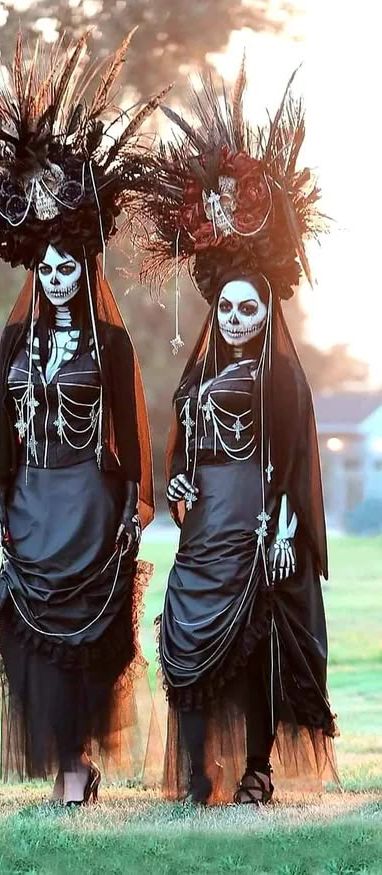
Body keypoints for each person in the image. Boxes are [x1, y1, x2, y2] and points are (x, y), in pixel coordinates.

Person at [0, 32, 164, 804]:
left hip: (90, 502)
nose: (60, 277)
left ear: (86, 265)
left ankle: (77, 765)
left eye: (71, 266)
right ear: (38, 267)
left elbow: (132, 432)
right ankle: (62, 758)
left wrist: (135, 499)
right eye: (50, 267)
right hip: (32, 500)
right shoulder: (15, 338)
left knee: (91, 635)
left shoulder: (112, 340)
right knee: (29, 635)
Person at [132, 66, 338, 804]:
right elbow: (184, 443)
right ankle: (199, 770)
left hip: (256, 520)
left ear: (266, 310)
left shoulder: (281, 378)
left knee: (256, 650)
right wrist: (181, 479)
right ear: (217, 312)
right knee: (189, 638)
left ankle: (257, 769)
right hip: (206, 525)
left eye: (251, 309)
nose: (239, 318)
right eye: (229, 309)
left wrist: (284, 527)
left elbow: (294, 459)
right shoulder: (196, 376)